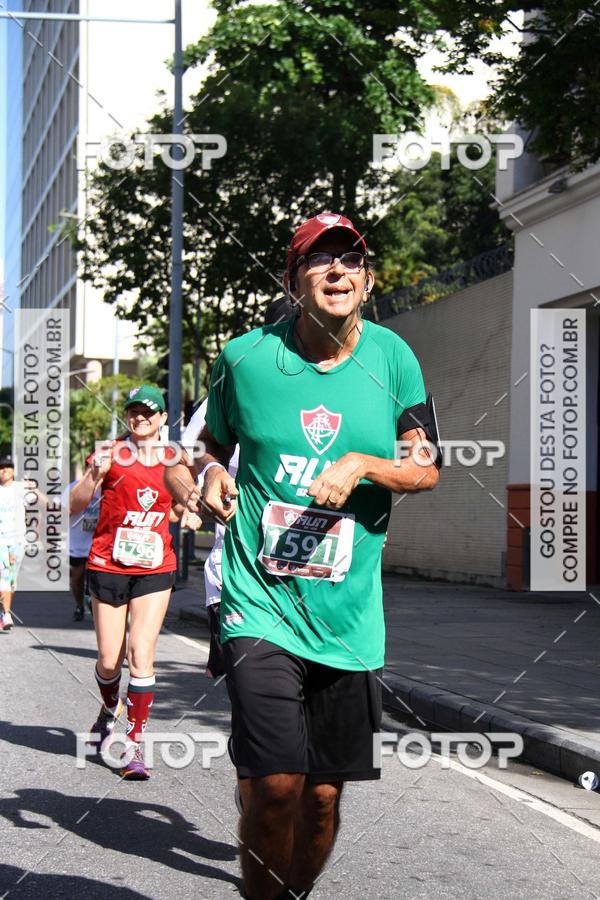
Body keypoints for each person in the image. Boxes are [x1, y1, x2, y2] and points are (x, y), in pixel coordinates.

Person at [166, 212, 440, 899]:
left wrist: (364, 464)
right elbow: (205, 448)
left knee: (321, 798)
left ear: (368, 280)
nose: (339, 270)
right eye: (321, 261)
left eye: (351, 259)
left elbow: (425, 467)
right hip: (260, 603)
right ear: (294, 281)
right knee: (277, 786)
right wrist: (207, 476)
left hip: (349, 619)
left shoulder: (393, 359)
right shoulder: (245, 358)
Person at [71, 385, 200, 779]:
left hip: (155, 566)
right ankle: (109, 710)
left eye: (149, 412)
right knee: (110, 660)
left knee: (140, 655)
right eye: (134, 412)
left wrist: (191, 513)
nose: (140, 418)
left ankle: (134, 743)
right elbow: (75, 506)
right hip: (109, 563)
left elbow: (180, 506)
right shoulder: (109, 452)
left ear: (163, 419)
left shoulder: (174, 457)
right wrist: (95, 474)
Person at [181, 298, 294, 678]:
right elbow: (190, 451)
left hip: (312, 579)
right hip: (238, 575)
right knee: (249, 689)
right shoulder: (234, 390)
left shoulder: (336, 394)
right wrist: (202, 483)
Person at [64, 479, 100, 621]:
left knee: (95, 579)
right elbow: (63, 511)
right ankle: (79, 605)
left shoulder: (109, 485)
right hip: (77, 542)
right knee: (77, 578)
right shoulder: (74, 487)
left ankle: (95, 607)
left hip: (98, 542)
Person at [0, 457, 27, 632]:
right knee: (3, 578)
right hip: (1, 540)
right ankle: (6, 614)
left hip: (17, 541)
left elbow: (44, 504)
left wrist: (34, 488)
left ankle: (4, 610)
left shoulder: (21, 489)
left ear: (13, 471)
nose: (4, 470)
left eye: (8, 467)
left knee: (11, 582)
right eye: (1, 467)